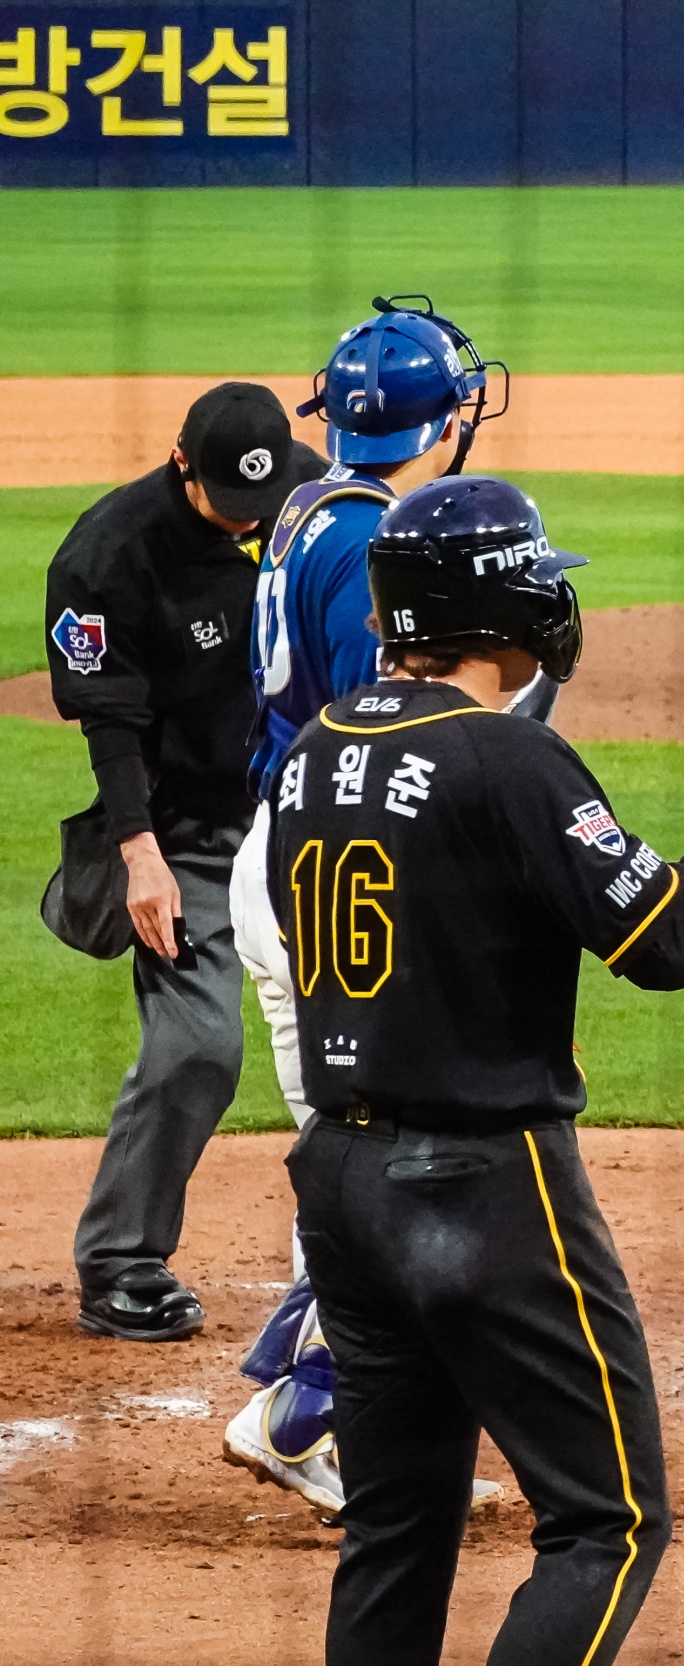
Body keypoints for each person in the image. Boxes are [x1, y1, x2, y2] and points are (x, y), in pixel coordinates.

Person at [266, 474, 684, 1664]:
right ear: (498, 607)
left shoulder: (316, 751)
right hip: (481, 1190)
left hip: (340, 1185)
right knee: (608, 1523)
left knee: (395, 1528)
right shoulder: (510, 759)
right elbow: (666, 939)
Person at [220, 295, 534, 1517]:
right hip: (334, 870)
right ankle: (300, 1411)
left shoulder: (314, 501)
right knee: (390, 1171)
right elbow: (383, 732)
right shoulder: (372, 545)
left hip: (298, 850)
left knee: (362, 1157)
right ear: (444, 422)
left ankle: (314, 1392)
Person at [41, 381, 324, 1342]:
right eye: (227, 502)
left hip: (310, 820)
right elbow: (111, 718)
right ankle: (122, 1260)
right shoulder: (108, 555)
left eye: (261, 501)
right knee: (199, 1044)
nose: (248, 519)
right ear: (180, 463)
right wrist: (139, 853)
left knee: (377, 1029)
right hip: (188, 834)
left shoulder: (311, 499)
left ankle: (390, 1242)